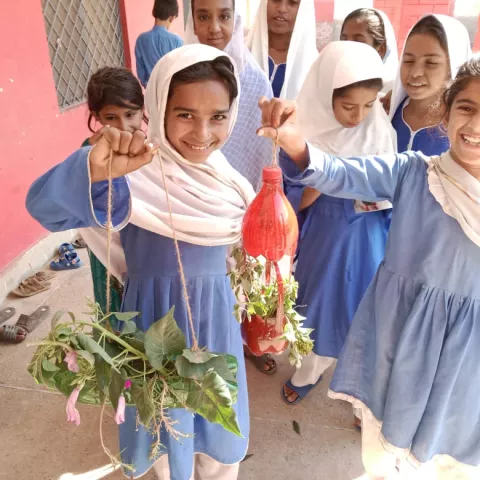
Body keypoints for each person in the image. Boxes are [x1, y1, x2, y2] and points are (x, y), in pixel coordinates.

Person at [27, 45, 254, 480]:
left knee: (217, 423)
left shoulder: (229, 183)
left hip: (215, 318)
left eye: (219, 116)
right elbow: (44, 208)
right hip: (152, 322)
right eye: (185, 114)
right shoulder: (133, 174)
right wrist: (92, 170)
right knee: (162, 425)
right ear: (159, 109)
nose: (203, 132)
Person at [259, 56, 480, 479]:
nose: (473, 126)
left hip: (468, 354)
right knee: (382, 449)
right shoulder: (414, 172)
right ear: (448, 110)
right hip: (401, 337)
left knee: (451, 457)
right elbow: (341, 172)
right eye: (467, 108)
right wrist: (296, 145)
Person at [281, 41, 396, 405]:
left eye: (368, 105)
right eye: (348, 106)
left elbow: (392, 186)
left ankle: (359, 393)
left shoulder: (380, 131)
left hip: (366, 236)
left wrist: (347, 183)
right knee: (317, 302)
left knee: (360, 309)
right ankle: (310, 369)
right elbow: (289, 188)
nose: (358, 116)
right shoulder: (305, 131)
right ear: (325, 95)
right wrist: (317, 186)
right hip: (325, 233)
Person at [186, 0, 279, 375]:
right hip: (191, 201)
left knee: (241, 277)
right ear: (191, 19)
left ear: (236, 19)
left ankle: (248, 342)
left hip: (239, 204)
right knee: (203, 287)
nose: (214, 27)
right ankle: (206, 344)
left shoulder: (253, 78)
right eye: (203, 16)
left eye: (224, 16)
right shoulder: (179, 72)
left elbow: (259, 148)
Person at [82, 67, 146, 315]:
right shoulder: (88, 157)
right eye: (111, 118)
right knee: (114, 306)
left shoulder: (153, 150)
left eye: (131, 114)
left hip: (147, 244)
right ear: (96, 116)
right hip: (108, 247)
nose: (123, 126)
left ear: (143, 110)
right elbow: (88, 216)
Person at [389, 14, 471, 155]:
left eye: (431, 63)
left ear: (453, 68)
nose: (415, 73)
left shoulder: (463, 128)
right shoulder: (387, 112)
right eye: (408, 61)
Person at [246, 0, 318, 99]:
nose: (282, 9)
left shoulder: (314, 67)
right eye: (276, 0)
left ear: (303, 10)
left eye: (292, 2)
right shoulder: (240, 53)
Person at [339, 8, 398, 94]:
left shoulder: (391, 95)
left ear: (381, 49)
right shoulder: (331, 83)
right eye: (344, 40)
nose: (348, 47)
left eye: (358, 41)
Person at [135, 0, 183, 88]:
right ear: (172, 18)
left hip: (151, 90)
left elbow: (141, 74)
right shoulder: (177, 41)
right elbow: (180, 71)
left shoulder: (141, 39)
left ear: (154, 12)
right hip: (171, 90)